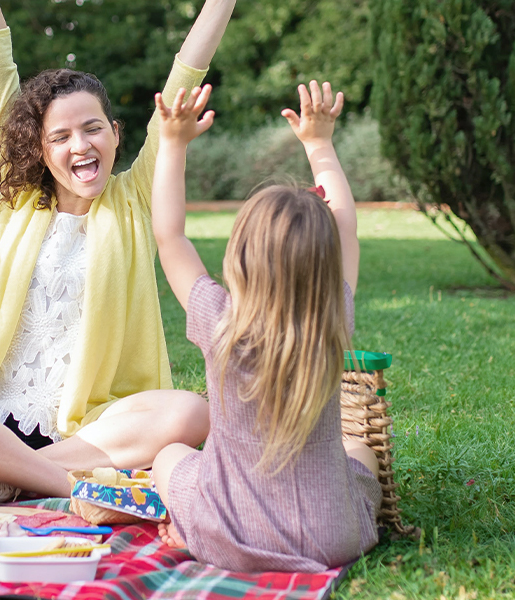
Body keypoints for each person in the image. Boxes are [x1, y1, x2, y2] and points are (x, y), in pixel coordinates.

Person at [0, 0, 235, 507]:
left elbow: (185, 76)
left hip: (86, 430)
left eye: (93, 127)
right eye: (59, 136)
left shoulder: (136, 200)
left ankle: (6, 480)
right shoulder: (16, 196)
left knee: (193, 412)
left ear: (116, 133)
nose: (80, 144)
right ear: (38, 149)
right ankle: (73, 486)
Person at [148, 81, 381, 572]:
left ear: (240, 257)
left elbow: (170, 238)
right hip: (330, 537)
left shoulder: (220, 321)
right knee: (359, 448)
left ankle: (183, 526)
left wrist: (172, 145)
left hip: (227, 534)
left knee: (169, 456)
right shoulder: (331, 316)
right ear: (325, 264)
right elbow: (346, 228)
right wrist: (319, 144)